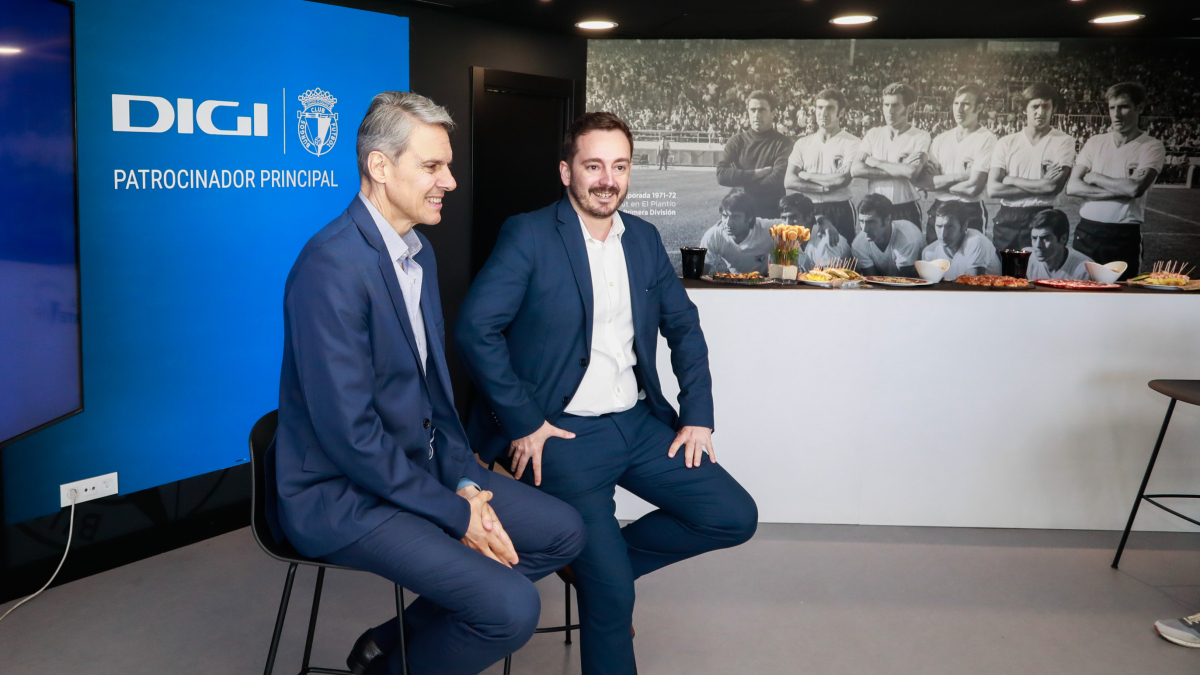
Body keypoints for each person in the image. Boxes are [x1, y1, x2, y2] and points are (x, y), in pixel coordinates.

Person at [270, 92, 586, 675]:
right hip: (340, 495)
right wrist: (455, 512)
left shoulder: (417, 253)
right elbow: (352, 439)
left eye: (448, 165)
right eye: (433, 166)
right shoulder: (330, 269)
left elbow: (435, 403)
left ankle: (392, 643)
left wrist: (465, 480)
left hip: (415, 469)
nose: (451, 181)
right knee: (512, 609)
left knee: (563, 531)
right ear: (380, 168)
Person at [456, 111, 758, 675]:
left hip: (639, 424)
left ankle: (592, 560)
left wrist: (698, 415)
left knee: (732, 515)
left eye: (619, 166)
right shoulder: (529, 233)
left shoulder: (642, 239)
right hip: (561, 435)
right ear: (567, 170)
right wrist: (523, 419)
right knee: (614, 598)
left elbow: (685, 329)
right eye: (594, 166)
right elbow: (476, 328)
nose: (607, 180)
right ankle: (600, 570)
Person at [1066, 82, 1165, 279]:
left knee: (1121, 296)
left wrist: (1095, 177)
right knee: (1078, 293)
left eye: (1124, 107)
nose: (1117, 114)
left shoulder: (1151, 146)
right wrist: (1121, 189)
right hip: (1086, 231)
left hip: (1123, 235)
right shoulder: (1095, 142)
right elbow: (1072, 186)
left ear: (1139, 108)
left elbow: (1135, 188)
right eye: (1112, 108)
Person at [987, 83, 1076, 255]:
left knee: (1036, 275)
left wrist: (1011, 180)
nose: (1040, 112)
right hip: (1008, 217)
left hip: (1042, 217)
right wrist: (1041, 185)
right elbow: (993, 189)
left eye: (1046, 106)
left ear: (1053, 109)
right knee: (1005, 276)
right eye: (1035, 106)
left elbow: (1052, 187)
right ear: (1024, 110)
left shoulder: (1064, 141)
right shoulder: (1006, 142)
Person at [784, 88, 860, 243]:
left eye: (830, 108)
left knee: (841, 258)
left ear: (841, 113)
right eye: (819, 108)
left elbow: (841, 180)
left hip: (839, 207)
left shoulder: (853, 143)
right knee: (808, 258)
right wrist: (822, 188)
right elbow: (789, 181)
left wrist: (806, 175)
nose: (823, 113)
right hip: (807, 209)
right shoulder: (803, 143)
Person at [851, 82, 931, 227]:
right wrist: (901, 169)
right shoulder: (873, 134)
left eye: (895, 105)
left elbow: (912, 171)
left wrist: (875, 162)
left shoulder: (920, 136)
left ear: (910, 108)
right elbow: (856, 169)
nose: (889, 111)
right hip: (875, 209)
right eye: (886, 105)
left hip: (905, 207)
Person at [926, 83, 997, 243]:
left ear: (979, 108)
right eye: (956, 103)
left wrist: (939, 182)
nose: (959, 109)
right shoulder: (940, 139)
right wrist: (962, 177)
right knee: (936, 263)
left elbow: (973, 188)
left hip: (969, 210)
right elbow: (926, 183)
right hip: (940, 208)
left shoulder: (986, 138)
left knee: (967, 263)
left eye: (966, 104)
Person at [716, 90, 794, 218]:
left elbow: (777, 179)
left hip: (770, 214)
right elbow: (721, 175)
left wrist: (741, 188)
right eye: (752, 110)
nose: (756, 115)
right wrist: (755, 173)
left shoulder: (783, 143)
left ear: (773, 113)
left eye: (762, 110)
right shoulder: (736, 141)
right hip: (740, 216)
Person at [699, 190, 775, 275]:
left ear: (749, 217)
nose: (728, 222)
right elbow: (700, 273)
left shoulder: (768, 228)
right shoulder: (714, 235)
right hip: (735, 281)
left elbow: (789, 223)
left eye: (735, 217)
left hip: (765, 280)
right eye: (725, 216)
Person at [920, 200, 1000, 280]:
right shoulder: (930, 252)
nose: (943, 234)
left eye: (950, 227)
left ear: (964, 226)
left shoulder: (976, 241)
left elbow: (973, 288)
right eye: (939, 226)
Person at [852, 193, 925, 277]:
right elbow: (872, 280)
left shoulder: (908, 238)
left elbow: (903, 281)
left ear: (888, 219)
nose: (864, 229)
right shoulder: (858, 244)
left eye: (871, 222)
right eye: (861, 221)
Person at [779, 192, 848, 268]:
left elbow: (829, 278)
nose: (787, 224)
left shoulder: (825, 239)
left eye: (793, 217)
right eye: (783, 218)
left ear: (809, 217)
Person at [1024, 209, 1092, 280]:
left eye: (1045, 238)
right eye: (1034, 238)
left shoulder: (1084, 269)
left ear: (1063, 239)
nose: (1038, 245)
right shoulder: (1027, 258)